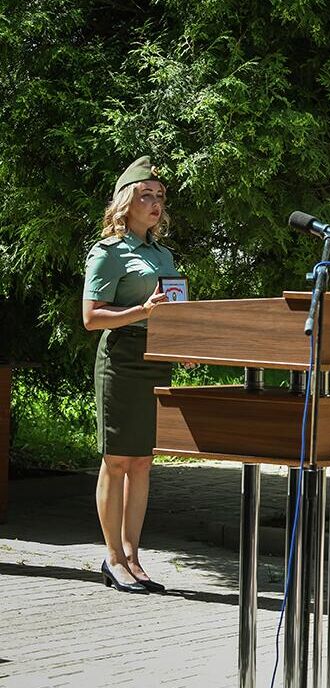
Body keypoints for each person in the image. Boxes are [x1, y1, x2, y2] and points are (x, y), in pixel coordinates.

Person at [82, 156, 176, 595]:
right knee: (117, 460)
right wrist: (141, 311)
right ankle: (112, 558)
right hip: (121, 358)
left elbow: (173, 313)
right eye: (146, 195)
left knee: (142, 461)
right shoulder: (108, 252)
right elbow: (91, 317)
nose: (155, 203)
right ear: (127, 201)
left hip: (157, 357)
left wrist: (185, 346)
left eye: (159, 196)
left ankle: (134, 558)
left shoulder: (164, 254)